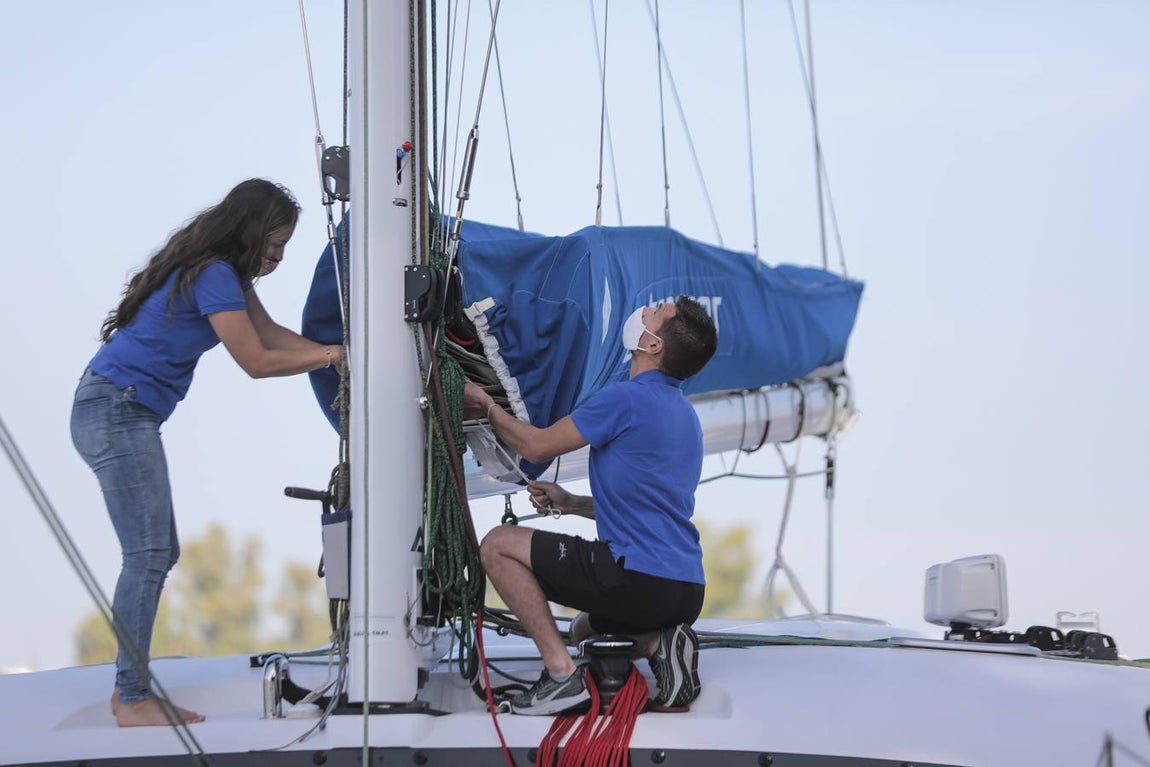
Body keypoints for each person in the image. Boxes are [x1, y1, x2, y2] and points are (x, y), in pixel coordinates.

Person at [70, 179, 342, 727]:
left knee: (156, 553)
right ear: (249, 233)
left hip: (120, 406)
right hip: (117, 408)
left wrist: (342, 353)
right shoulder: (215, 274)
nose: (278, 258)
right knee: (147, 556)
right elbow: (257, 361)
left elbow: (269, 332)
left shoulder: (224, 274)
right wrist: (333, 355)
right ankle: (130, 697)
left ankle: (131, 690)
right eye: (274, 246)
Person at [463, 295, 718, 715]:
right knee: (583, 630)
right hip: (686, 589)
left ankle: (562, 678)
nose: (648, 307)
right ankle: (659, 642)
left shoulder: (625, 399)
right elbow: (647, 506)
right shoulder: (685, 415)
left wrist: (487, 406)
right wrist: (571, 502)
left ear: (653, 344)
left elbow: (535, 446)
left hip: (637, 578)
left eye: (657, 310)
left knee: (497, 545)